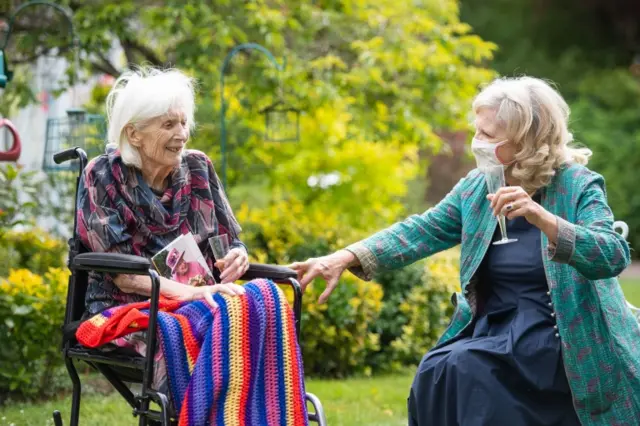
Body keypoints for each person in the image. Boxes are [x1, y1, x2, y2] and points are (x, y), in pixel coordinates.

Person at [289, 76, 640, 425]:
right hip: (495, 326)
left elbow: (612, 255)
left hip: (558, 333)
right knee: (436, 371)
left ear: (526, 140)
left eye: (488, 135)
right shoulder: (477, 188)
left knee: (470, 371)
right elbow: (420, 230)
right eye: (477, 131)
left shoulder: (577, 185)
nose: (477, 143)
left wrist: (543, 218)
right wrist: (344, 256)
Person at [76, 67, 250, 393]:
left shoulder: (198, 168)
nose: (182, 133)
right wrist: (194, 294)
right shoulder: (102, 175)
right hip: (127, 307)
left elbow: (229, 241)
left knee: (253, 320)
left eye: (184, 122)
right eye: (168, 124)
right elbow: (125, 276)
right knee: (182, 334)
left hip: (201, 299)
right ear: (134, 134)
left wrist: (237, 255)